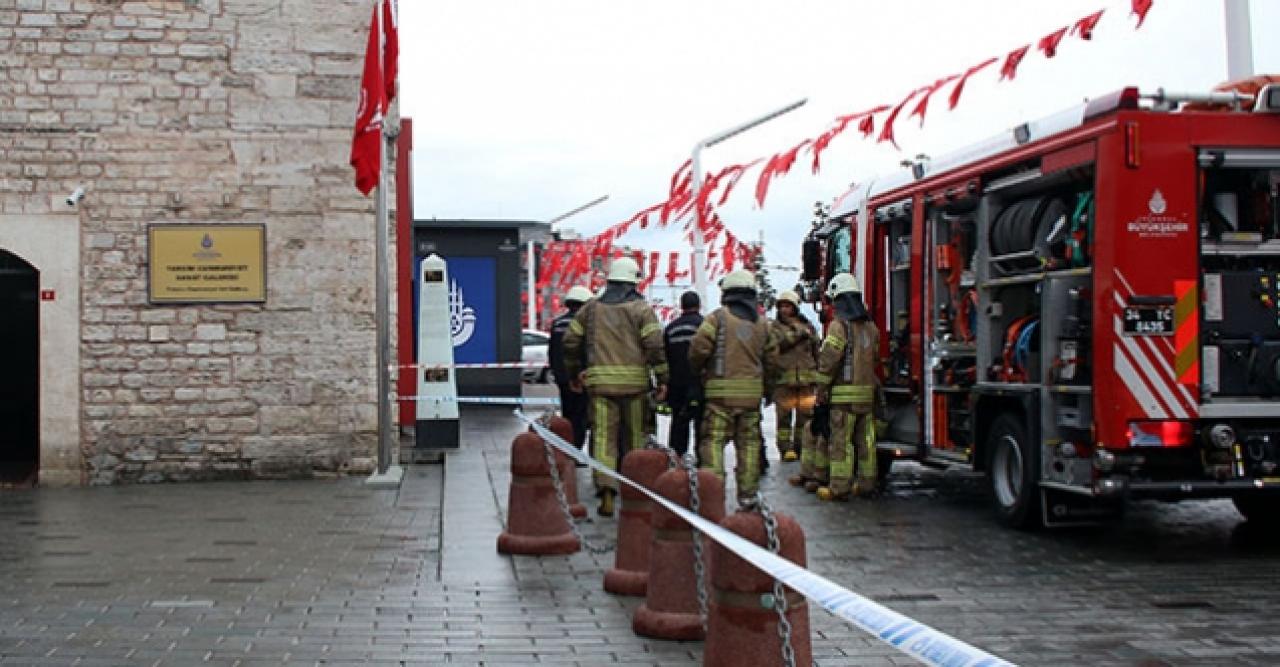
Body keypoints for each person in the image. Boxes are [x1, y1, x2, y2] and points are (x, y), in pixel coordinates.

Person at [563, 257, 668, 517]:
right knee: (635, 437)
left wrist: (575, 372)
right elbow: (654, 344)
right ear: (633, 281)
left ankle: (606, 489)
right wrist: (663, 378)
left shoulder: (591, 309)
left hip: (599, 386)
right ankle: (634, 487)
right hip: (635, 387)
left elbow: (570, 340)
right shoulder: (642, 309)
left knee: (602, 438)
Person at [689, 269, 779, 509]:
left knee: (713, 443)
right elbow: (772, 361)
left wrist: (700, 373)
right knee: (749, 445)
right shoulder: (764, 325)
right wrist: (768, 390)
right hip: (751, 397)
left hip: (719, 397)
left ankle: (712, 496)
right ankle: (748, 496)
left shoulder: (716, 319)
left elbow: (698, 349)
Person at [813, 272, 880, 501]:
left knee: (841, 444)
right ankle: (866, 484)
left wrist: (821, 389)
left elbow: (829, 360)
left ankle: (839, 488)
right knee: (866, 444)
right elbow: (876, 358)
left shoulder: (839, 326)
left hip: (843, 400)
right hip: (866, 398)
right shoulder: (870, 328)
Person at [770, 290, 819, 465]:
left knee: (805, 417)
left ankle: (801, 446)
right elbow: (778, 344)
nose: (784, 310)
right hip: (784, 381)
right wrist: (799, 333)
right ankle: (785, 448)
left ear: (795, 308)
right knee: (784, 417)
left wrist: (819, 373)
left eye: (788, 306)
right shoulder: (774, 327)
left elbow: (816, 349)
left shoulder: (808, 326)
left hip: (806, 381)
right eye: (782, 306)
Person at [549, 285, 594, 454]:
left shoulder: (557, 323)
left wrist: (558, 373)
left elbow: (552, 352)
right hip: (580, 377)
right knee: (581, 416)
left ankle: (566, 449)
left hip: (562, 378)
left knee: (567, 413)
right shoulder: (585, 324)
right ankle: (575, 451)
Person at [663, 291, 703, 462]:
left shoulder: (671, 328)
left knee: (679, 423)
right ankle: (704, 460)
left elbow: (664, 357)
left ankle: (676, 458)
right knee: (702, 424)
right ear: (698, 305)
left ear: (681, 306)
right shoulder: (705, 326)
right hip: (700, 383)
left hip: (677, 383)